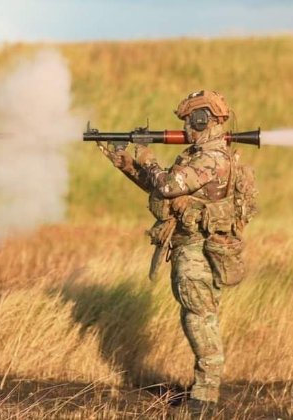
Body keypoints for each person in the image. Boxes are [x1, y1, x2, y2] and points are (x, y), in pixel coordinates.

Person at [96, 90, 257, 414]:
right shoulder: (198, 157)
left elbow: (168, 185)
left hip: (198, 249)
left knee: (200, 318)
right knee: (194, 316)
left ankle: (205, 397)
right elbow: (162, 186)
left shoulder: (212, 159)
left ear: (202, 119)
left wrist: (145, 154)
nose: (185, 127)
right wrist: (126, 162)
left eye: (189, 120)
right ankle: (203, 392)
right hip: (191, 247)